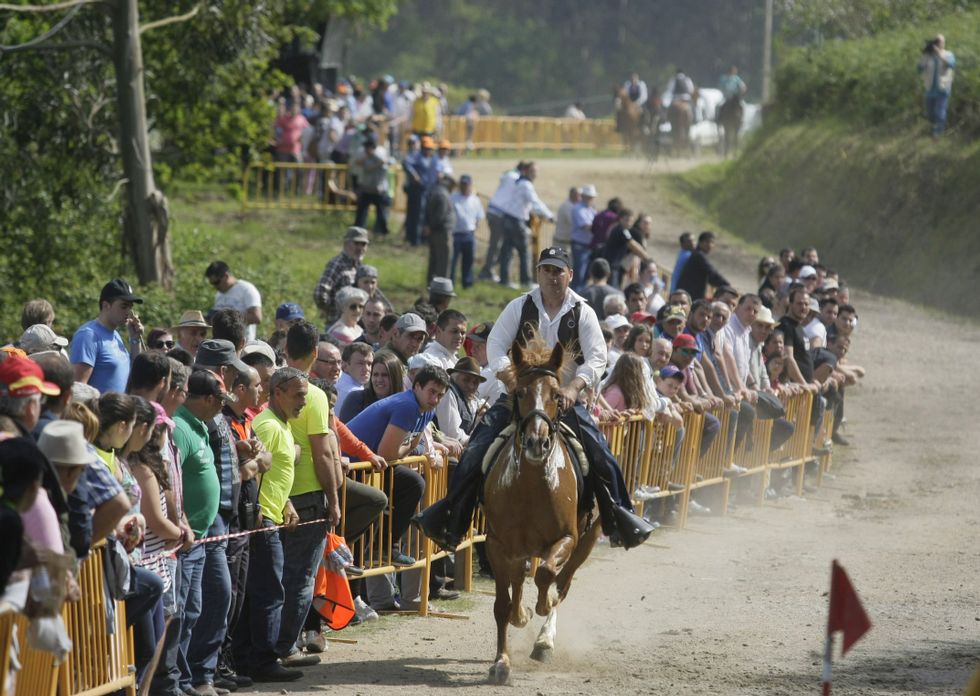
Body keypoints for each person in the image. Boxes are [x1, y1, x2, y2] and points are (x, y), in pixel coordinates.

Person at [413, 247, 655, 552]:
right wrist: (511, 380)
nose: (552, 277)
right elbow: (497, 346)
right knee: (474, 451)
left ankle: (619, 518)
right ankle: (451, 520)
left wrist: (573, 387)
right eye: (546, 270)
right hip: (519, 397)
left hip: (563, 400)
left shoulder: (583, 311)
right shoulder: (519, 306)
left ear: (570, 274)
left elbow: (597, 357)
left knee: (601, 454)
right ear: (538, 272)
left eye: (558, 271)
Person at [243, 367, 307, 682]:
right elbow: (253, 470)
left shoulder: (280, 424)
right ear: (277, 392)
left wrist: (287, 503)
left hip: (272, 515)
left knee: (266, 591)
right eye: (298, 396)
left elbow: (276, 472)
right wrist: (258, 513)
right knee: (269, 593)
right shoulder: (267, 426)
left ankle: (253, 659)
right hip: (262, 521)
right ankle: (263, 661)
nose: (303, 403)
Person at [70, 279, 144, 394]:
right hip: (97, 412)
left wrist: (135, 339)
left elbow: (136, 373)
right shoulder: (88, 335)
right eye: (124, 306)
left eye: (130, 307)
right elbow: (78, 389)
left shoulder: (116, 335)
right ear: (106, 305)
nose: (128, 312)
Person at [497, 162, 554, 289]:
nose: (536, 174)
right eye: (533, 171)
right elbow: (535, 202)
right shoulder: (526, 185)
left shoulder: (519, 182)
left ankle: (504, 280)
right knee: (524, 252)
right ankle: (526, 281)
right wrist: (549, 215)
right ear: (527, 171)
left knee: (507, 251)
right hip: (516, 221)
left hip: (509, 218)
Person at [313, 226, 370, 324]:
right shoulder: (337, 264)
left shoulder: (359, 266)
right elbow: (320, 293)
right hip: (337, 324)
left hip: (354, 325)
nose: (360, 248)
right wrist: (333, 311)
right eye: (356, 243)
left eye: (363, 244)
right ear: (346, 244)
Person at [337, 350, 405, 423]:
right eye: (375, 374)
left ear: (395, 377)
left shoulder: (403, 403)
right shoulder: (357, 398)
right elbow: (344, 430)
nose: (379, 379)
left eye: (385, 375)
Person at [206, 261, 263, 342]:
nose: (215, 286)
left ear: (226, 276)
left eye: (216, 282)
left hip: (243, 345)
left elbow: (256, 317)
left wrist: (227, 319)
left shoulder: (246, 289)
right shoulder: (219, 294)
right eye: (212, 283)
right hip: (222, 345)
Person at [434, 356, 485, 445]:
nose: (471, 386)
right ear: (454, 377)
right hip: (446, 455)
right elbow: (452, 434)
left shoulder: (472, 400)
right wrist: (475, 440)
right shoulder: (448, 393)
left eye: (475, 382)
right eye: (466, 380)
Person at [917, 34, 956, 137]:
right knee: (930, 113)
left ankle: (938, 132)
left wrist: (939, 54)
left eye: (940, 42)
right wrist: (924, 57)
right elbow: (919, 69)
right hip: (930, 88)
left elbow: (951, 64)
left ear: (943, 43)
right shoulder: (927, 56)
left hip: (943, 87)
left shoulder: (948, 54)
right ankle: (933, 128)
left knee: (940, 111)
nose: (938, 44)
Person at [450, 174, 484, 289]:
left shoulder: (475, 200)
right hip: (455, 234)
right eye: (463, 184)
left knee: (468, 262)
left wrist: (475, 229)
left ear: (470, 185)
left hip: (469, 234)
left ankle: (467, 283)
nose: (465, 187)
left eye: (467, 184)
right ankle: (450, 283)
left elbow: (479, 216)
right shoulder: (453, 198)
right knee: (452, 261)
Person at [674, 231, 731, 301]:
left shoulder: (697, 254)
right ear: (700, 242)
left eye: (712, 243)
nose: (709, 245)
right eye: (707, 242)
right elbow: (711, 272)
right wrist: (727, 286)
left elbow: (711, 277)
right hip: (689, 297)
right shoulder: (698, 255)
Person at [402, 136, 437, 246]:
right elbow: (405, 163)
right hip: (418, 191)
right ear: (422, 148)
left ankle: (423, 239)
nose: (428, 150)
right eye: (426, 148)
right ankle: (414, 240)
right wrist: (414, 175)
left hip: (429, 191)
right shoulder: (417, 156)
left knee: (426, 216)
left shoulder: (432, 159)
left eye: (430, 148)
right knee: (417, 216)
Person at [352, 137, 391, 235]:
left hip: (379, 190)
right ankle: (358, 231)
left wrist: (374, 157)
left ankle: (382, 232)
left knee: (381, 213)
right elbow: (357, 162)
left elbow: (386, 162)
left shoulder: (381, 153)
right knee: (361, 213)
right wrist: (367, 157)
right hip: (367, 189)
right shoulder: (365, 156)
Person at [423, 174, 456, 283]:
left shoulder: (437, 192)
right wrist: (431, 227)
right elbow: (440, 215)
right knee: (443, 261)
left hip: (436, 232)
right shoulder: (443, 195)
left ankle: (431, 283)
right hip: (442, 233)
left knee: (434, 260)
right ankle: (441, 286)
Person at [569, 184, 597, 289]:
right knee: (579, 274)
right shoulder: (578, 209)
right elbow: (585, 226)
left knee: (585, 274)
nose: (590, 199)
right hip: (580, 244)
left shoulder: (591, 209)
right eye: (589, 197)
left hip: (587, 245)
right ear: (583, 196)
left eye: (592, 197)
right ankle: (575, 297)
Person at [335, 342, 373, 413]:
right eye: (360, 363)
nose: (366, 368)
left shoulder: (336, 384)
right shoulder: (355, 393)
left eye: (369, 364)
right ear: (345, 366)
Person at [553, 187, 581, 251]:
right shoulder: (568, 206)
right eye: (579, 196)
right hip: (562, 242)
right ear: (573, 195)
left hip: (565, 241)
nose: (580, 198)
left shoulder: (571, 205)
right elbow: (573, 222)